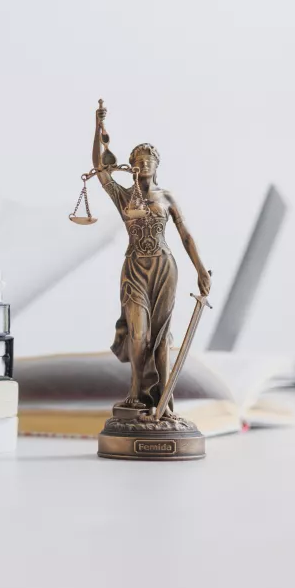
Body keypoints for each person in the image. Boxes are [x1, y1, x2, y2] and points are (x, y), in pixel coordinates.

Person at [92, 108, 210, 418]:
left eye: (149, 161)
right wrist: (98, 128)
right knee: (138, 334)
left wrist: (200, 269)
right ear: (131, 166)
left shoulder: (166, 197)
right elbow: (100, 169)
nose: (144, 165)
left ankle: (164, 401)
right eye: (139, 161)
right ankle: (135, 393)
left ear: (157, 166)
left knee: (160, 339)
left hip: (164, 268)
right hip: (134, 269)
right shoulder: (123, 196)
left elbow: (185, 234)